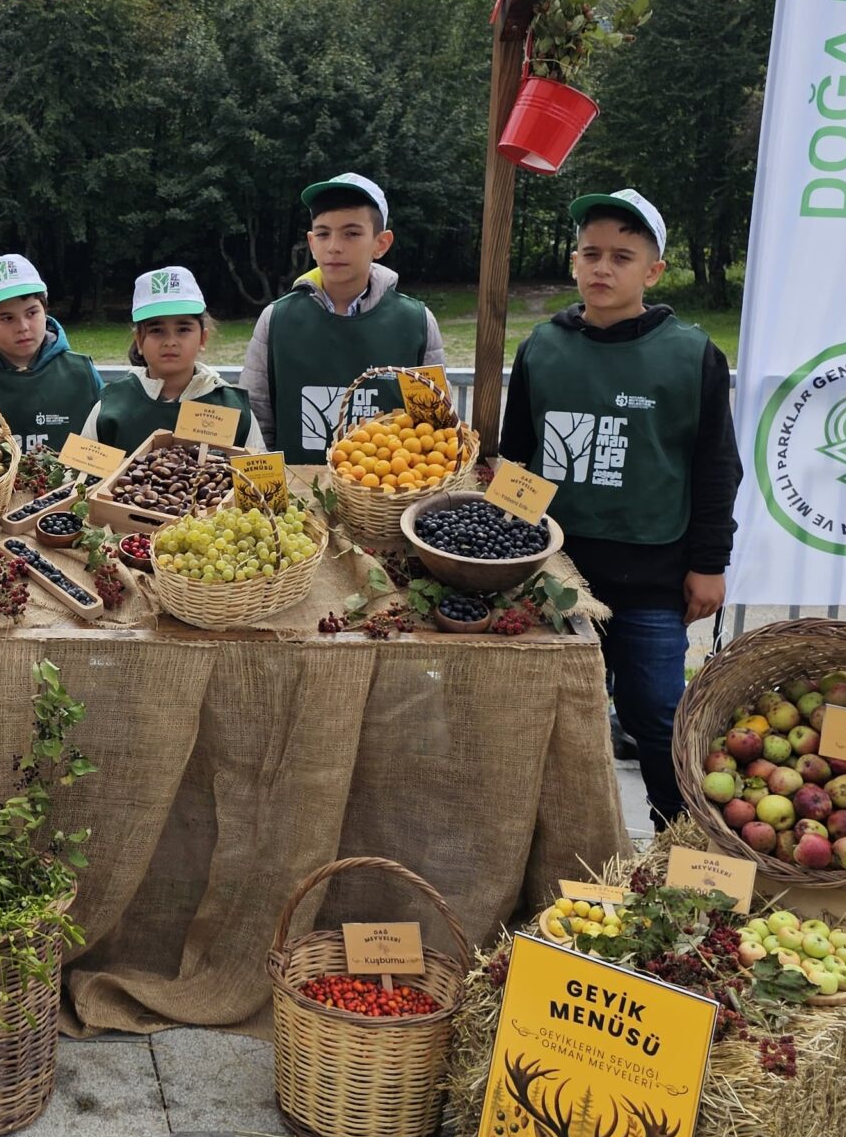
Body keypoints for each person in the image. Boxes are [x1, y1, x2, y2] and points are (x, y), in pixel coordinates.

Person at [496, 191, 738, 830]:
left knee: (658, 715)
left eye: (622, 257)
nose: (603, 268)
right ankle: (559, 852)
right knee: (553, 721)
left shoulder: (691, 355)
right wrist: (503, 552)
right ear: (575, 262)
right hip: (557, 576)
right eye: (591, 253)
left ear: (652, 272)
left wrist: (709, 563)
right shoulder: (542, 349)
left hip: (652, 579)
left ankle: (679, 851)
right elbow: (515, 463)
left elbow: (716, 469)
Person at [242, 173, 447, 460]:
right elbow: (255, 423)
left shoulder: (417, 322)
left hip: (385, 499)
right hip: (297, 498)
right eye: (323, 234)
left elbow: (435, 432)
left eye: (351, 233)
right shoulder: (276, 319)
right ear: (312, 243)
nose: (334, 246)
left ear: (381, 243)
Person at [84, 265, 262, 450]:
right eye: (157, 330)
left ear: (203, 338)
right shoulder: (110, 408)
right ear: (139, 341)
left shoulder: (233, 408)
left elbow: (261, 475)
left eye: (183, 329)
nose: (170, 341)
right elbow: (80, 473)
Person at [0, 254, 104, 452]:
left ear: (45, 309)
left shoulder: (82, 374)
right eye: (7, 318)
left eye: (31, 313)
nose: (23, 327)